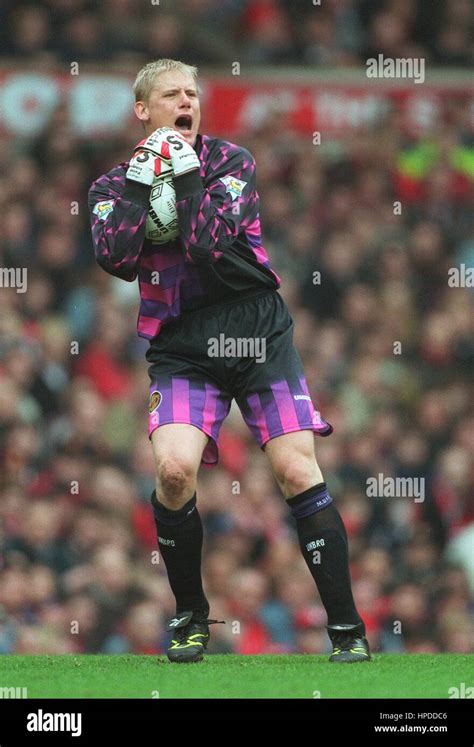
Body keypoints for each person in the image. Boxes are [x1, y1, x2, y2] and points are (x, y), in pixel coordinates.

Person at [88, 58, 370, 665]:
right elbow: (114, 255)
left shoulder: (231, 162)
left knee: (297, 471)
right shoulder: (112, 187)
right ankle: (191, 617)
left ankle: (347, 630)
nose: (186, 100)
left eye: (193, 92)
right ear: (144, 110)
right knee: (172, 473)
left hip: (257, 329)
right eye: (171, 94)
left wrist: (185, 174)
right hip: (182, 342)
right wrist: (144, 183)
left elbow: (208, 243)